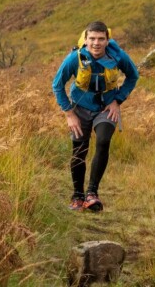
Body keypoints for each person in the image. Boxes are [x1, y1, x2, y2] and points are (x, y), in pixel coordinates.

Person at [51, 21, 138, 212]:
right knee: (79, 150)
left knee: (103, 140)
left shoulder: (118, 56)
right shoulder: (75, 58)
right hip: (79, 108)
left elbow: (133, 76)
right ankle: (77, 196)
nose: (96, 43)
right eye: (92, 38)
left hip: (105, 108)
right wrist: (69, 113)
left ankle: (92, 193)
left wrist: (118, 100)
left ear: (107, 40)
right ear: (86, 39)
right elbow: (57, 85)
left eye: (100, 39)